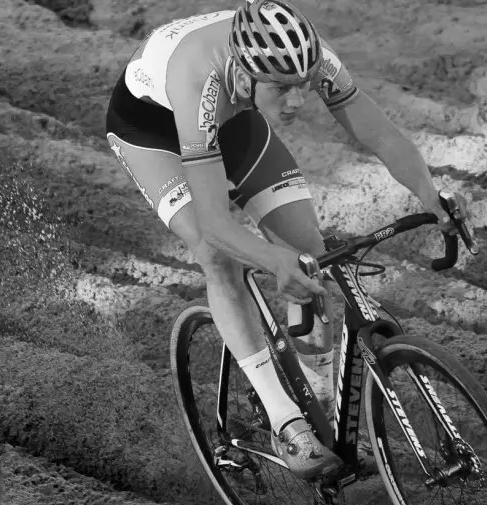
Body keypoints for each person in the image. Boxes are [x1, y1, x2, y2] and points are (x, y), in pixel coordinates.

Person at [105, 0, 467, 480]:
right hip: (155, 134)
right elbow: (216, 224)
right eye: (282, 90)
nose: (296, 102)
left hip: (235, 121)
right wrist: (271, 259)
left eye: (303, 87)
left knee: (309, 251)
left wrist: (430, 192)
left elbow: (381, 133)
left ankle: (318, 402)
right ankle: (285, 420)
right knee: (218, 255)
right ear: (243, 72)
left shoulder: (300, 54)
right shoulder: (201, 78)